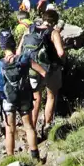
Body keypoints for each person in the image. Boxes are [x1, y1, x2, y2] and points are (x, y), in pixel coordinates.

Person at [0, 31, 46, 160]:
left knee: (10, 130)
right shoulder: (24, 59)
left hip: (6, 99)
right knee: (29, 127)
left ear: (2, 46)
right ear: (14, 43)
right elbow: (44, 73)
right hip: (25, 97)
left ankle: (10, 159)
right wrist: (37, 87)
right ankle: (35, 157)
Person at [18, 9, 65, 137]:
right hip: (50, 69)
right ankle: (47, 126)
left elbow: (19, 51)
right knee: (51, 96)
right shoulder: (53, 32)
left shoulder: (30, 30)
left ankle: (31, 128)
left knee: (35, 98)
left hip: (32, 69)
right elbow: (60, 53)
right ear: (54, 21)